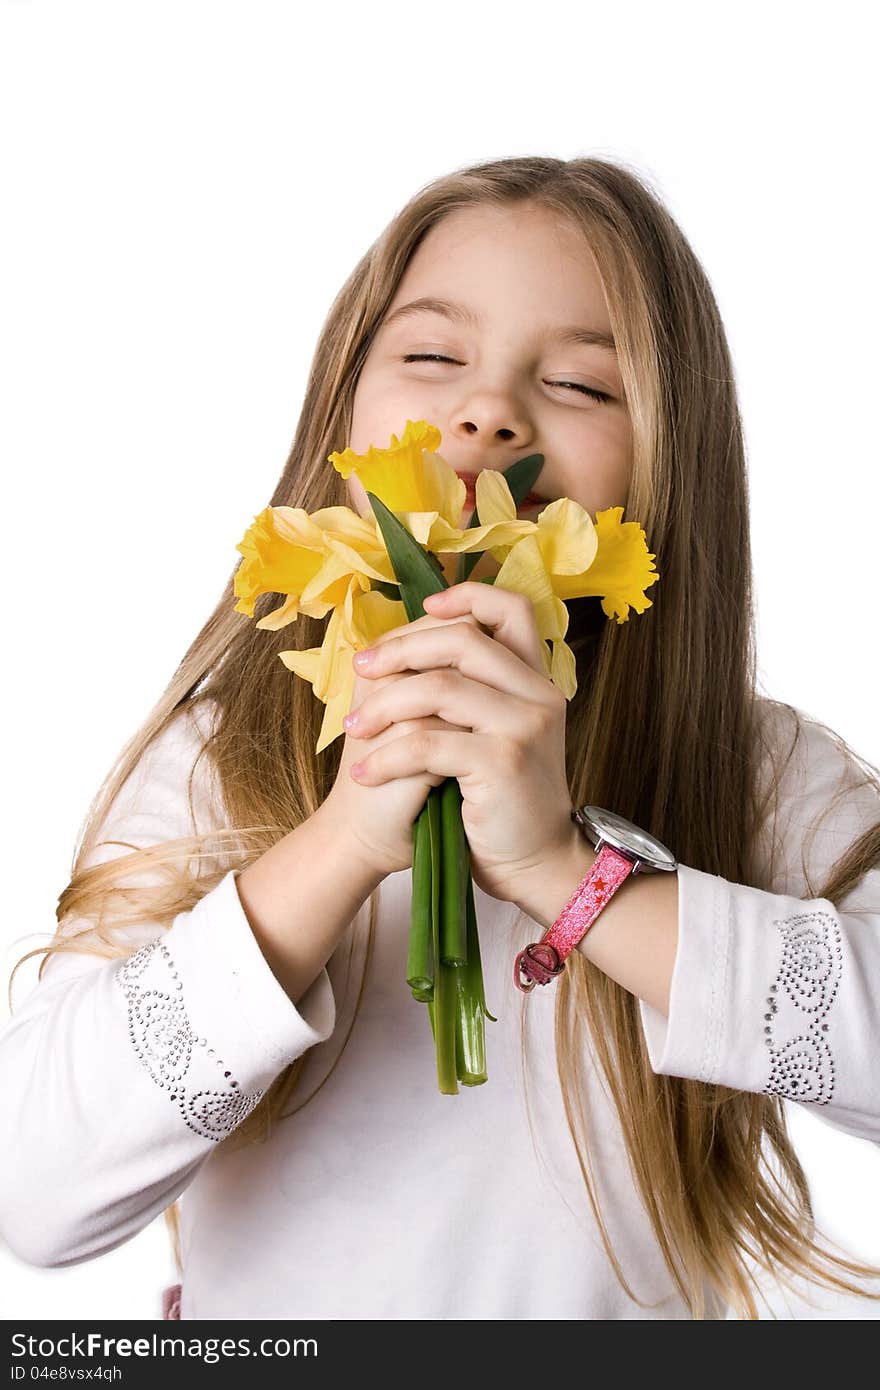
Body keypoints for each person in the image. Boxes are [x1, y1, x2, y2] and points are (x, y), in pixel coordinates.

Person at [2, 154, 880, 1322]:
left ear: (672, 461)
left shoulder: (759, 773)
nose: (487, 411)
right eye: (430, 356)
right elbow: (36, 1196)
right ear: (340, 417)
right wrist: (345, 835)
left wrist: (566, 877)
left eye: (579, 381)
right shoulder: (224, 761)